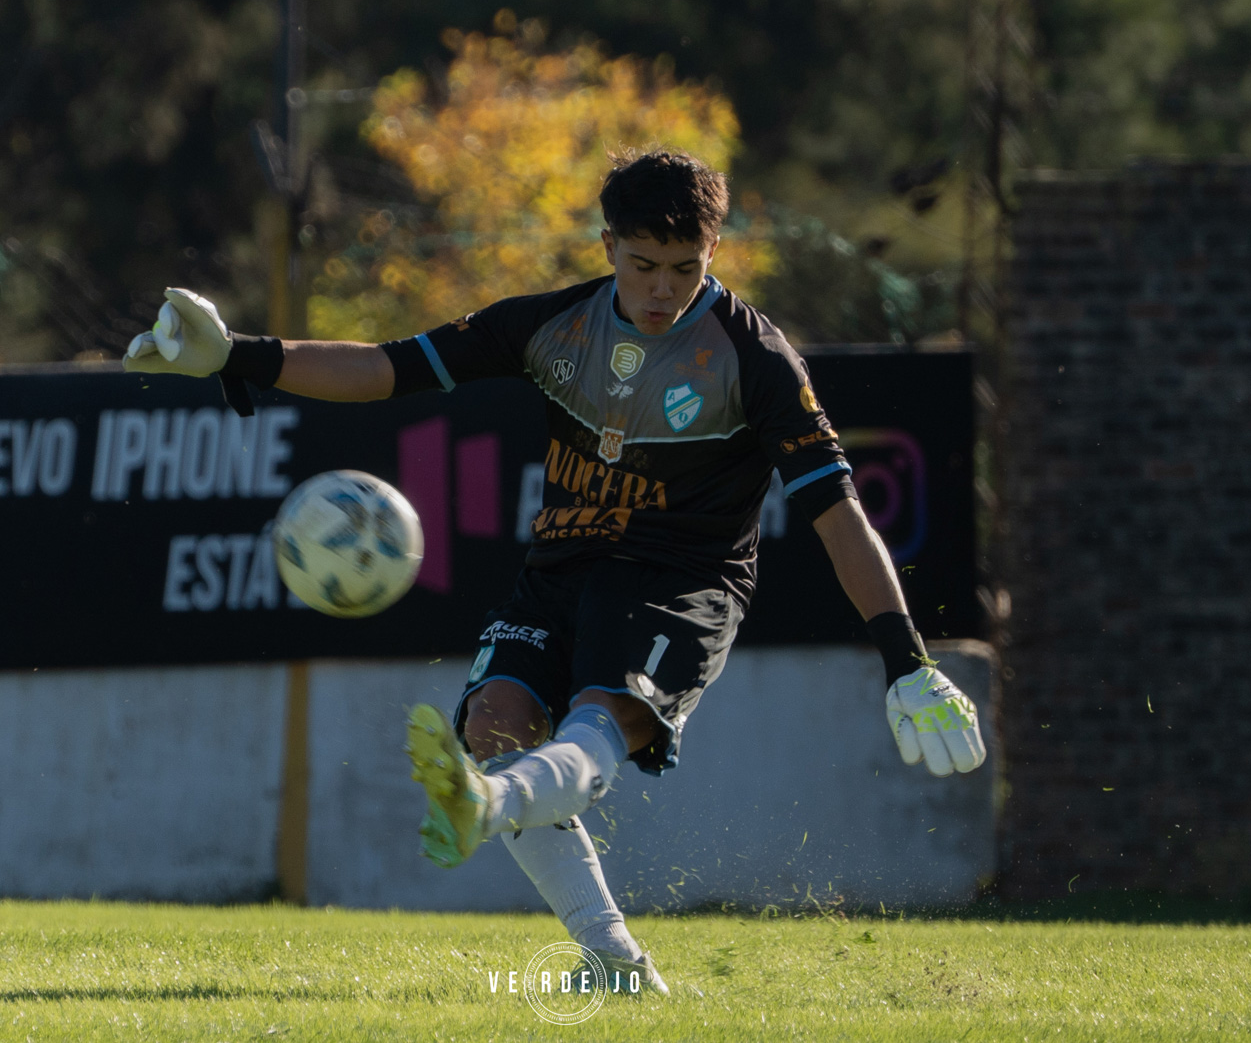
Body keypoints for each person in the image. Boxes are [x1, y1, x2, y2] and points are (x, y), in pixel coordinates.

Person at [122, 149, 986, 995]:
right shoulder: (552, 325)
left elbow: (840, 513)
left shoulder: (754, 360)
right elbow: (389, 367)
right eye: (643, 265)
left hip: (681, 583)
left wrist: (907, 660)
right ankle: (613, 963)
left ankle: (487, 807)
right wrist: (240, 355)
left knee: (595, 722)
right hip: (563, 568)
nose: (659, 290)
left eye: (683, 269)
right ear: (608, 245)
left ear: (713, 253)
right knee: (493, 724)